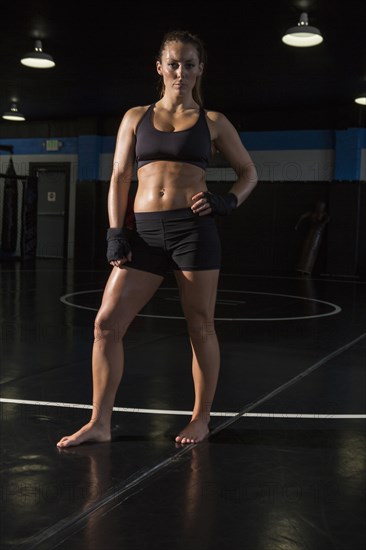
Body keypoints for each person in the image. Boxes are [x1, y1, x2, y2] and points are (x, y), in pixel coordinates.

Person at [57, 29, 258, 448]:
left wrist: (228, 203)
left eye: (189, 64)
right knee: (106, 324)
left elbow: (249, 173)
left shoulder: (214, 122)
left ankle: (200, 419)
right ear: (159, 67)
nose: (180, 71)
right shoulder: (135, 117)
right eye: (173, 63)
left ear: (200, 69)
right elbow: (119, 176)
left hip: (194, 232)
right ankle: (99, 422)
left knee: (200, 326)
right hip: (144, 234)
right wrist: (116, 232)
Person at [295, 200, 330, 275]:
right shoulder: (312, 213)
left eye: (321, 206)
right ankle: (301, 267)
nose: (320, 207)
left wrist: (321, 224)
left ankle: (308, 268)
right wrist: (297, 225)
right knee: (306, 249)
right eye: (319, 206)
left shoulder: (323, 215)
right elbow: (303, 216)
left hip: (317, 234)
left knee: (312, 250)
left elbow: (327, 220)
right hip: (311, 233)